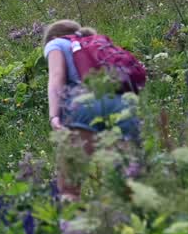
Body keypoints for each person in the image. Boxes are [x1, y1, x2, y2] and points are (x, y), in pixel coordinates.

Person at [42, 20, 140, 196]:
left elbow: (57, 77)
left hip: (84, 106)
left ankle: (74, 222)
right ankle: (133, 220)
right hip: (122, 104)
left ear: (55, 36)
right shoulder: (98, 44)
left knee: (68, 187)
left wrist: (53, 115)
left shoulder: (56, 43)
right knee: (128, 179)